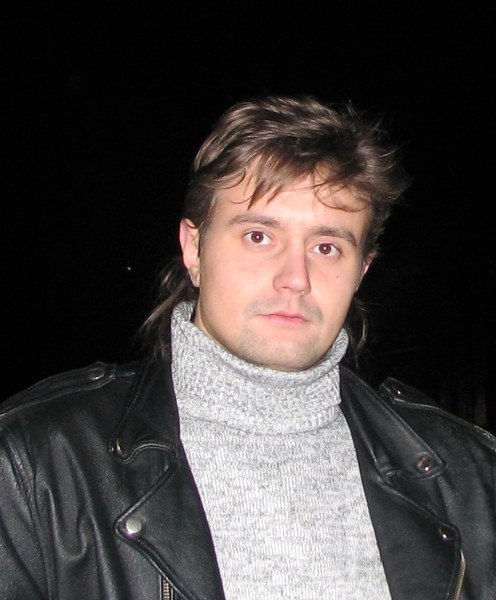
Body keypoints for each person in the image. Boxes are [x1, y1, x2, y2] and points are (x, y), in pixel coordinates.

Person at [1, 96, 495, 600]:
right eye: (259, 236)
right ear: (194, 248)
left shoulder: (471, 476)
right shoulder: (35, 464)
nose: (295, 278)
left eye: (327, 247)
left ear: (362, 271)